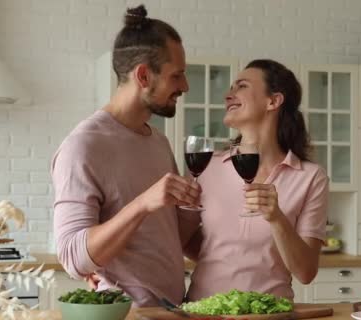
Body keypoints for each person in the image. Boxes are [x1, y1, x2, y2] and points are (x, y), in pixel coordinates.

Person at [51, 5, 201, 307]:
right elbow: (73, 257)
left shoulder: (158, 142)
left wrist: (193, 202)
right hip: (124, 315)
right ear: (144, 75)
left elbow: (174, 240)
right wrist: (144, 203)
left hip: (171, 310)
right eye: (177, 76)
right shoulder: (84, 146)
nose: (184, 86)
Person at [185, 59, 328, 302]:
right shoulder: (207, 167)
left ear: (273, 101)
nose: (228, 95)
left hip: (270, 313)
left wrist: (277, 218)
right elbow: (183, 237)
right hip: (203, 311)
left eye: (241, 86)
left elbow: (305, 272)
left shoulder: (310, 177)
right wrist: (230, 260)